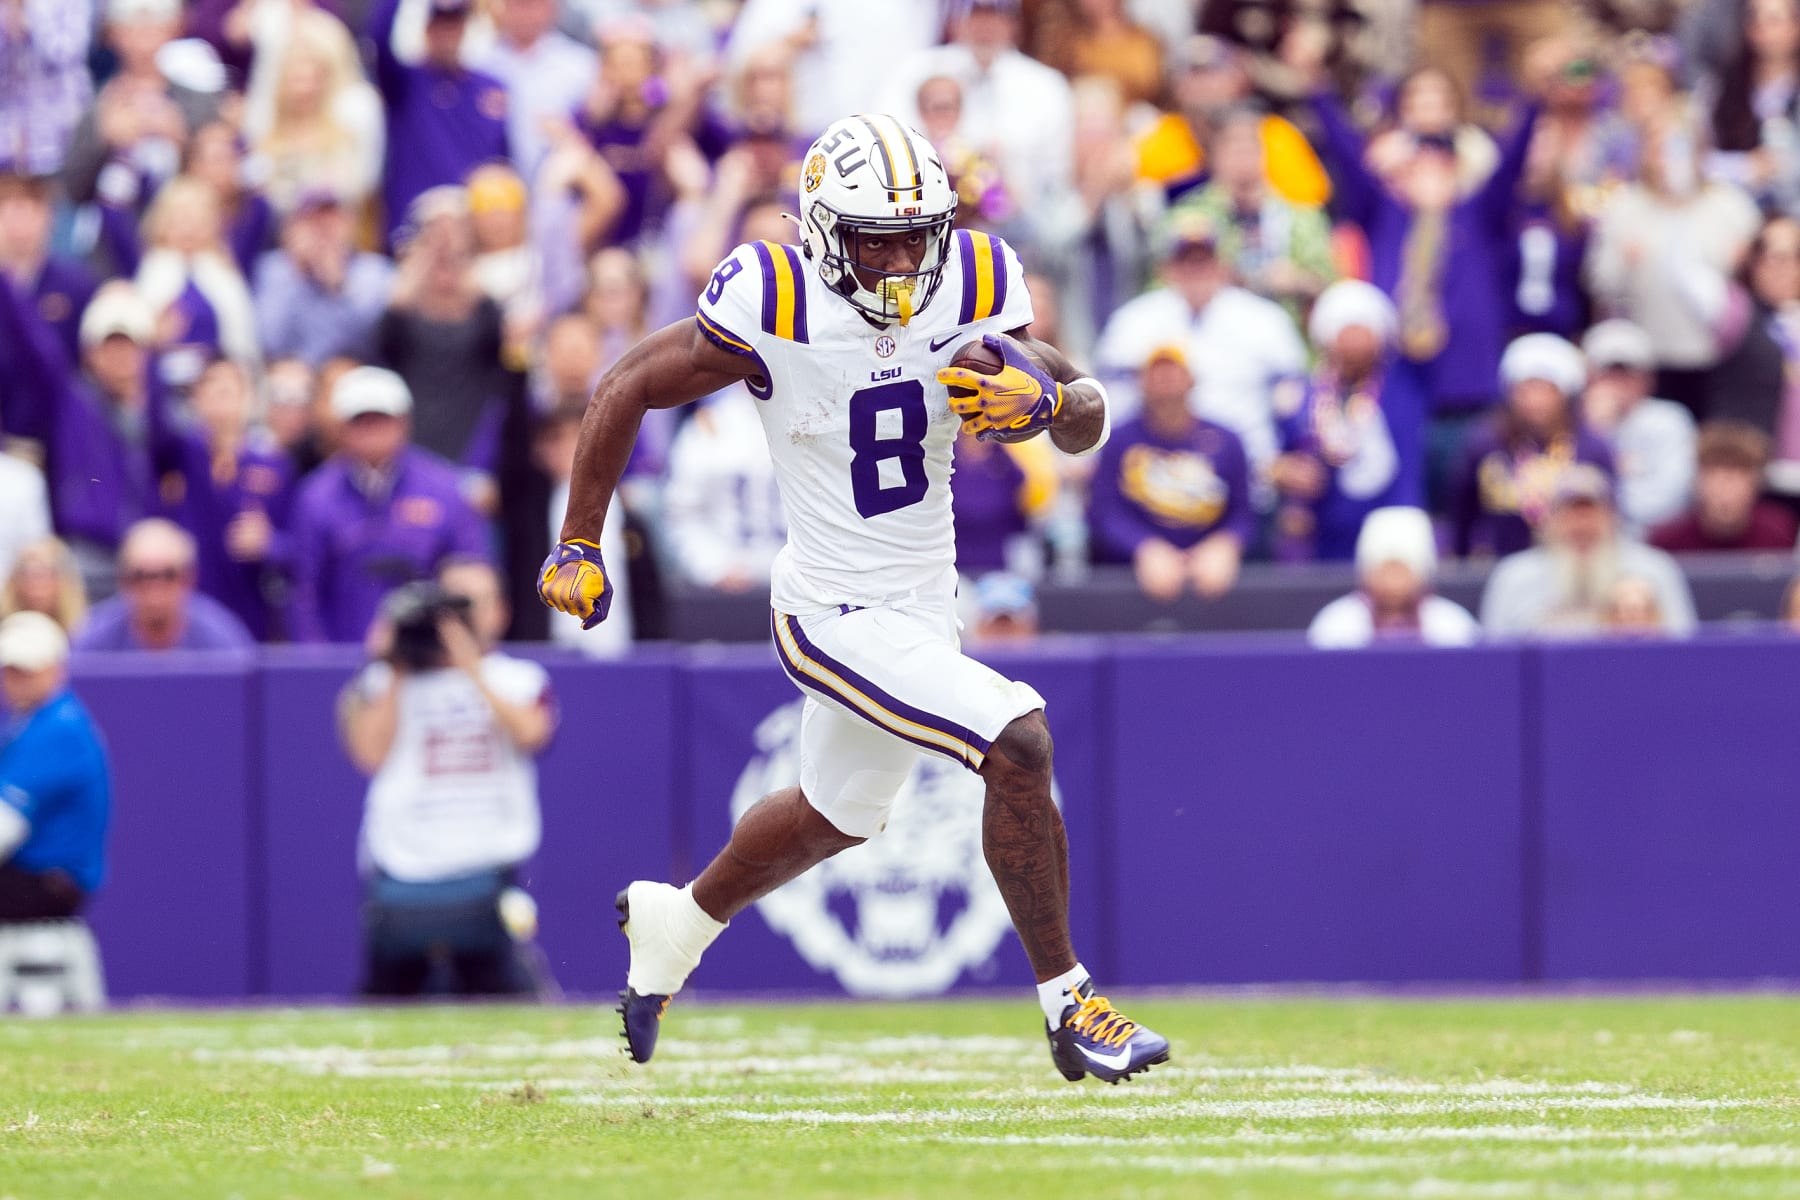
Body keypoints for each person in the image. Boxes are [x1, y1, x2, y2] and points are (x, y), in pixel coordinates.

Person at [538, 114, 1170, 1083]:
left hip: (924, 604)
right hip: (831, 612)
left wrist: (1048, 404)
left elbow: (1085, 411)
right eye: (877, 240)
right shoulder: (775, 295)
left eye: (916, 238)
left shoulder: (973, 279)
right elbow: (626, 383)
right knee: (1018, 740)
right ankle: (1070, 1003)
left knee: (836, 816)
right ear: (826, 232)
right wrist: (580, 539)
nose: (902, 263)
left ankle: (679, 923)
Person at [340, 558, 555, 997]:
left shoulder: (519, 678)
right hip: (404, 865)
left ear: (500, 612)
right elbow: (368, 753)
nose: (453, 619)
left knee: (505, 998)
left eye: (466, 605)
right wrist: (394, 658)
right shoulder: (386, 680)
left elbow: (531, 733)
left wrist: (469, 664)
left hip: (486, 867)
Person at [1094, 213, 1308, 484]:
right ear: (1166, 268)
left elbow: (1296, 400)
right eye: (1185, 261)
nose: (1196, 270)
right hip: (1156, 476)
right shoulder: (1133, 321)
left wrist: (1297, 454)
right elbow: (1111, 402)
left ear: (1223, 265)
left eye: (1204, 260)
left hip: (1252, 473)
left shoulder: (1264, 319)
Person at [289, 366, 488, 644]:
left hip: (430, 656)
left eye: (381, 419)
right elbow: (303, 591)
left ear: (403, 422)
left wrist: (457, 652)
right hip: (345, 653)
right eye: (360, 420)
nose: (371, 430)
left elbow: (473, 577)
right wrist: (318, 659)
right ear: (341, 429)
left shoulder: (444, 489)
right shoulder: (316, 497)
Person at [1272, 280, 1428, 561]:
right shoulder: (1304, 395)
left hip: (1393, 530)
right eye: (1345, 330)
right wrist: (1284, 472)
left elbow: (1424, 336)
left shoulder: (1405, 384)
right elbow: (1280, 458)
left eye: (1363, 330)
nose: (1354, 342)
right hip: (1325, 538)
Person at [1089, 343, 1254, 602]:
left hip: (1211, 571)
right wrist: (1143, 547)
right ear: (1141, 382)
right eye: (1156, 373)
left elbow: (1244, 512)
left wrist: (1227, 544)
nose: (1165, 382)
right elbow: (1103, 512)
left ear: (1191, 380)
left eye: (1173, 372)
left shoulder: (1227, 440)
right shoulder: (1118, 440)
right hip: (1131, 577)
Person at [1480, 464, 1697, 637]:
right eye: (1571, 514)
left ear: (1612, 517)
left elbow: (1684, 649)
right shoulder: (1514, 577)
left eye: (1591, 513)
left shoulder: (1654, 570)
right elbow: (1492, 660)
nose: (1582, 526)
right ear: (1550, 521)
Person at [1451, 333, 1615, 559]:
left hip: (1574, 563)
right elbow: (1462, 512)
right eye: (1525, 390)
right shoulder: (1486, 444)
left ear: (1566, 394)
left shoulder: (1592, 448)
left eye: (1546, 390)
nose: (1534, 401)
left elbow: (1612, 514)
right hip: (1500, 561)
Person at [369, 0, 511, 247]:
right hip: (412, 231)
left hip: (473, 234)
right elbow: (379, 39)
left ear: (465, 28)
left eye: (454, 24)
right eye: (440, 25)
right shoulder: (406, 83)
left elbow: (503, 164)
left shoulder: (490, 89)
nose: (447, 34)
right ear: (427, 29)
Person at [0, 611, 110, 920]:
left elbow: (5, 826)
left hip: (49, 885)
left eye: (29, 669)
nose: (18, 679)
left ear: (56, 670)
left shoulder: (58, 727)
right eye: (12, 670)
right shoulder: (29, 722)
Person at [1580, 319, 1696, 536]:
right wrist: (1595, 430)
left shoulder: (1670, 420)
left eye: (1627, 373)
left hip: (1653, 539)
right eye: (1609, 373)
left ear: (1648, 378)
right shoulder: (1575, 422)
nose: (1618, 383)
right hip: (1587, 538)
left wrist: (1605, 503)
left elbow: (1672, 500)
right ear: (1590, 378)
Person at [254, 188, 395, 367]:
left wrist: (339, 288)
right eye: (313, 222)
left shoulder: (374, 271)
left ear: (351, 225)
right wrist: (299, 274)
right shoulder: (274, 269)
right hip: (293, 373)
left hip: (354, 372)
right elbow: (270, 341)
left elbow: (376, 344)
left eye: (332, 221)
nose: (324, 232)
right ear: (292, 229)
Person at [1307, 506, 1481, 648]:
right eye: (1385, 570)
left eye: (1401, 571)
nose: (1393, 583)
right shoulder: (1334, 627)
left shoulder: (1454, 627)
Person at [72, 518, 254, 652]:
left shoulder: (222, 640)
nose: (155, 589)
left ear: (189, 579)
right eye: (141, 576)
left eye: (168, 575)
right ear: (124, 581)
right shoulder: (94, 641)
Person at [1650, 421, 1800, 551]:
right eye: (1716, 479)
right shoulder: (1667, 541)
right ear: (1697, 482)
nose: (1726, 492)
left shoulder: (1780, 532)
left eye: (1736, 480)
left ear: (1756, 484)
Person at [0, 538, 87, 634]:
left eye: (45, 574)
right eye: (28, 573)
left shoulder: (82, 631)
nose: (36, 585)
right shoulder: (4, 626)